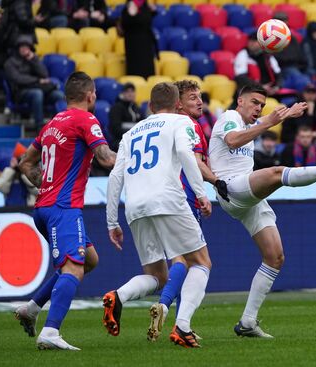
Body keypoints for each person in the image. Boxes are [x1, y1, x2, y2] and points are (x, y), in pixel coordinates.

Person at [208, 83, 316, 338]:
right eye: (254, 102)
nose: (258, 108)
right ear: (239, 101)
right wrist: (270, 122)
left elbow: (263, 121)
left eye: (261, 105)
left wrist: (287, 113)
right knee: (276, 173)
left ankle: (247, 322)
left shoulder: (247, 123)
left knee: (275, 257)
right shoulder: (229, 117)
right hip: (230, 187)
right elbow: (232, 140)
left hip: (245, 195)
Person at [104, 82, 212, 349]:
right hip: (168, 199)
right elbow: (187, 155)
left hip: (135, 206)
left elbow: (115, 175)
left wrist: (111, 221)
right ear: (178, 105)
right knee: (200, 262)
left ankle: (118, 295)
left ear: (150, 106)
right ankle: (183, 327)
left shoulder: (130, 134)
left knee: (157, 275)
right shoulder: (179, 122)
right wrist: (200, 193)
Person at [15, 71, 116, 350]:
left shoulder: (51, 124)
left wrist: (45, 184)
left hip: (45, 208)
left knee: (89, 260)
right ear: (90, 95)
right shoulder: (86, 119)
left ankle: (32, 308)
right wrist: (137, 159)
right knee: (74, 266)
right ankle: (50, 331)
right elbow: (106, 158)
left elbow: (24, 163)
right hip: (63, 208)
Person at [145, 79, 228, 343]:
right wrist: (215, 181)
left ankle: (182, 322)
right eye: (193, 98)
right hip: (185, 199)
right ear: (178, 103)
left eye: (200, 96)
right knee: (191, 261)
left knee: (183, 261)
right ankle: (168, 308)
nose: (200, 101)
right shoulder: (188, 126)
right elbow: (194, 161)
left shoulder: (162, 127)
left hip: (157, 199)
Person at [4, 35, 65, 131]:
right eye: (22, 46)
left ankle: (57, 126)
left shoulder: (33, 59)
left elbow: (44, 74)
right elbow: (18, 79)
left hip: (39, 89)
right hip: (20, 92)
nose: (24, 49)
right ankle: (40, 127)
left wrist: (34, 61)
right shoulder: (10, 63)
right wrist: (37, 80)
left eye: (27, 47)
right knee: (37, 94)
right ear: (18, 48)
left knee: (59, 95)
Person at [234, 32, 282, 97]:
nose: (251, 43)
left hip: (271, 90)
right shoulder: (243, 54)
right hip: (252, 91)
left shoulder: (267, 55)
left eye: (254, 41)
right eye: (250, 41)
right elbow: (240, 77)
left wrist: (277, 87)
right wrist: (260, 87)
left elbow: (278, 74)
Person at [120, 0, 157, 78]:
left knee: (147, 72)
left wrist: (152, 12)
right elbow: (125, 24)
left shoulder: (145, 6)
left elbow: (146, 20)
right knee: (135, 73)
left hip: (146, 44)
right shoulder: (129, 6)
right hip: (134, 45)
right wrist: (132, 14)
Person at [272, 12, 307, 81]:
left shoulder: (292, 38)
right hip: (282, 68)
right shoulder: (270, 39)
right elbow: (275, 58)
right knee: (298, 76)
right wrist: (291, 60)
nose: (284, 24)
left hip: (296, 67)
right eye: (281, 21)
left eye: (285, 21)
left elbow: (300, 55)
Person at [109, 82, 143, 151]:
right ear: (122, 94)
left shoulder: (137, 108)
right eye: (127, 91)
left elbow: (143, 124)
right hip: (120, 140)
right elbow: (115, 129)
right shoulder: (116, 108)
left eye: (132, 91)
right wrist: (132, 135)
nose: (130, 94)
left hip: (136, 139)